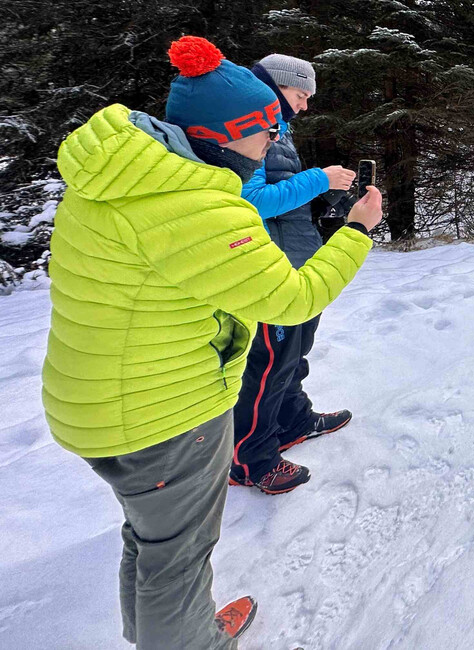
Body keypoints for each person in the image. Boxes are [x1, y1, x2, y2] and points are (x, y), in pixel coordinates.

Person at [42, 36, 384, 647]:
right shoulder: (196, 201)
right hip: (163, 412)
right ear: (230, 131)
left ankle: (163, 632)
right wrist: (357, 230)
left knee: (153, 541)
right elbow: (294, 296)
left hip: (102, 399)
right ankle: (191, 640)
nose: (270, 143)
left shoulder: (120, 181)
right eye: (265, 132)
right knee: (178, 553)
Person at [228, 53, 357, 495]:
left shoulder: (277, 128)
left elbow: (281, 197)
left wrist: (322, 202)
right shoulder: (245, 125)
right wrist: (320, 179)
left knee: (294, 352)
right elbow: (253, 201)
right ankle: (250, 459)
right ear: (274, 84)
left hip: (294, 260)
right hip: (266, 268)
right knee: (265, 367)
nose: (303, 106)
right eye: (301, 95)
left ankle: (293, 420)